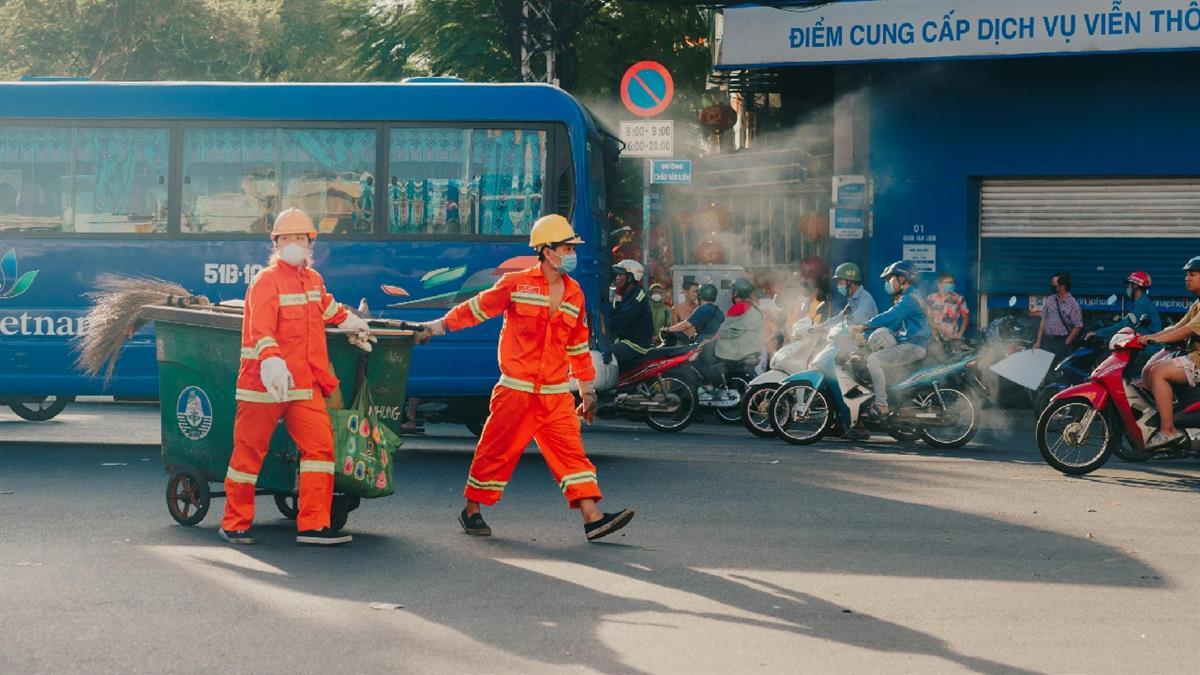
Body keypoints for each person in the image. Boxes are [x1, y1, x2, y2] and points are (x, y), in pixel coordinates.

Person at [412, 214, 634, 541]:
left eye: (572, 247)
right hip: (516, 391)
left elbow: (577, 345)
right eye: (566, 247)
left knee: (572, 454)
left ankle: (593, 518)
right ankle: (472, 510)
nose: (572, 254)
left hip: (555, 395)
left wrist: (587, 391)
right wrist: (438, 326)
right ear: (545, 251)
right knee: (495, 452)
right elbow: (478, 308)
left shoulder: (575, 294)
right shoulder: (517, 284)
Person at [219, 208, 375, 546]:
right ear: (276, 244)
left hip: (303, 384)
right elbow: (260, 329)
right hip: (264, 384)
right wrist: (271, 361)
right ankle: (234, 522)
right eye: (287, 238)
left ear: (310, 244)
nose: (294, 243)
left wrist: (352, 323)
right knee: (248, 453)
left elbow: (328, 308)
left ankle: (314, 525)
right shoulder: (266, 281)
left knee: (320, 449)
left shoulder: (314, 280)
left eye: (300, 238)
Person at [852, 260, 932, 419]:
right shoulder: (908, 297)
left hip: (914, 346)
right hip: (910, 344)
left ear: (903, 279)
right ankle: (896, 400)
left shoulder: (909, 299)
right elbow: (894, 324)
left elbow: (891, 316)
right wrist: (866, 337)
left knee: (874, 360)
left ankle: (881, 405)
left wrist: (864, 326)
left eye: (890, 279)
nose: (888, 283)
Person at [1139, 258, 1200, 449]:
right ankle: (1173, 416)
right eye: (1186, 274)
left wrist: (1156, 339)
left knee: (1159, 372)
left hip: (1198, 360)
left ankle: (1168, 430)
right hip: (1193, 357)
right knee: (1148, 370)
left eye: (1192, 274)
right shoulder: (1197, 304)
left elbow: (1186, 331)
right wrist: (1149, 336)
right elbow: (1177, 326)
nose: (1186, 278)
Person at [698, 278, 764, 388]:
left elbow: (727, 330)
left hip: (740, 350)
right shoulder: (754, 307)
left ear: (736, 293)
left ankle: (708, 385)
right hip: (752, 347)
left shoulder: (739, 307)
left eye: (731, 291)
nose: (730, 294)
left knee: (704, 349)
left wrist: (710, 339)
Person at [1089, 271, 1162, 342]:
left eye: (1129, 285)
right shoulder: (1142, 302)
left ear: (1135, 286)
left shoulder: (1142, 304)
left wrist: (1097, 333)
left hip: (1148, 349)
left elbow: (1125, 325)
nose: (1127, 288)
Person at [608, 259, 654, 366]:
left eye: (620, 274)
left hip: (636, 344)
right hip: (625, 340)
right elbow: (615, 314)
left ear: (630, 277)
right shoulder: (627, 295)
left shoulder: (637, 295)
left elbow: (622, 317)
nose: (617, 278)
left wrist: (607, 325)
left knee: (604, 354)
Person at [1032, 272, 1082, 363]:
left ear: (1062, 286)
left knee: (1059, 371)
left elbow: (1078, 326)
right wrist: (1038, 342)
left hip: (1061, 342)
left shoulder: (1073, 304)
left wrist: (1066, 342)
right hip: (1047, 341)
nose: (1052, 285)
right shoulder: (1050, 300)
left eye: (1054, 284)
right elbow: (1043, 320)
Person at [820, 262, 878, 329]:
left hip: (866, 338)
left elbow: (857, 320)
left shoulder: (865, 299)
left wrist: (832, 328)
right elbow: (840, 318)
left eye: (840, 282)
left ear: (850, 282)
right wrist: (821, 327)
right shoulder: (852, 300)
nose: (838, 285)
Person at [926, 272, 971, 342]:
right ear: (939, 285)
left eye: (952, 282)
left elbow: (966, 317)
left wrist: (960, 334)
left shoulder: (959, 299)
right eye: (947, 283)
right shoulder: (931, 298)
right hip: (934, 338)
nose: (950, 285)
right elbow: (926, 316)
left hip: (952, 338)